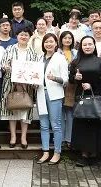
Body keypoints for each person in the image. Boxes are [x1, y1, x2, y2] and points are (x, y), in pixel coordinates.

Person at [69, 36, 101, 166]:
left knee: (96, 124)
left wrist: (92, 85)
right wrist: (75, 77)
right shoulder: (75, 62)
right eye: (85, 45)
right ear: (81, 47)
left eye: (90, 44)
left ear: (94, 46)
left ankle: (95, 154)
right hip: (81, 96)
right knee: (82, 124)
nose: (87, 47)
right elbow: (70, 79)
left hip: (97, 96)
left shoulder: (100, 62)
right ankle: (84, 155)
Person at [0, 27, 40, 149]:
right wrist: (7, 67)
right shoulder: (10, 49)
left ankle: (23, 137)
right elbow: (3, 64)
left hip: (26, 86)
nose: (23, 37)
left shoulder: (33, 52)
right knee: (12, 108)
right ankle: (13, 137)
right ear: (17, 36)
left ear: (29, 37)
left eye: (26, 35)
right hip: (10, 84)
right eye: (21, 34)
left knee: (25, 110)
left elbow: (35, 69)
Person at [36, 33, 66, 165]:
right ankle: (45, 152)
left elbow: (65, 79)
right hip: (40, 93)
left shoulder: (60, 58)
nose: (48, 44)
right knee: (43, 124)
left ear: (56, 43)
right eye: (46, 42)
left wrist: (54, 78)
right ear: (43, 44)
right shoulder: (39, 58)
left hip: (54, 94)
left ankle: (57, 152)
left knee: (56, 125)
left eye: (51, 41)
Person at [58, 31, 78, 146]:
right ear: (61, 40)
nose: (67, 40)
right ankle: (60, 138)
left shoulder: (76, 53)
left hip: (72, 85)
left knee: (70, 111)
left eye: (69, 38)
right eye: (65, 38)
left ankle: (69, 138)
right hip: (59, 84)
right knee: (59, 112)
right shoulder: (56, 52)